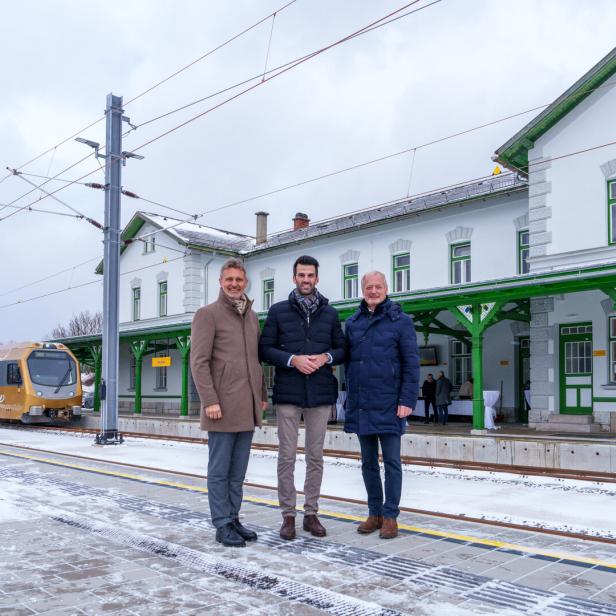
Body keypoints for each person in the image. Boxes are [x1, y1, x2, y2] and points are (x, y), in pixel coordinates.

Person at [259, 255, 346, 540]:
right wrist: (292, 359)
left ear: (317, 278)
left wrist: (327, 357)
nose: (306, 280)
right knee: (286, 456)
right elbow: (265, 350)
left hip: (320, 393)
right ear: (294, 277)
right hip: (288, 393)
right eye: (301, 275)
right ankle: (288, 516)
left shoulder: (330, 314)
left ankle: (311, 513)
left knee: (315, 456)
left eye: (310, 276)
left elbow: (343, 349)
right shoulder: (278, 310)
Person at [190, 258, 268, 548]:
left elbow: (254, 361)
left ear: (245, 282)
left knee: (238, 471)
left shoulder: (251, 315)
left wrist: (261, 395)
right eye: (229, 280)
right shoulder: (207, 314)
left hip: (246, 405)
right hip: (220, 405)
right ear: (221, 283)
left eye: (239, 280)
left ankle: (233, 517)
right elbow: (198, 362)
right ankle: (221, 523)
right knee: (220, 469)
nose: (234, 284)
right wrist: (209, 399)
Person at [344, 271, 419, 539]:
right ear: (362, 290)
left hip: (390, 404)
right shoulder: (353, 323)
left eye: (378, 286)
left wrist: (407, 400)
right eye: (368, 287)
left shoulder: (401, 322)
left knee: (391, 463)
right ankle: (374, 513)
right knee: (367, 463)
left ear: (386, 288)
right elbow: (348, 360)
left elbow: (411, 364)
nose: (373, 291)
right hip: (363, 403)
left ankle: (390, 516)